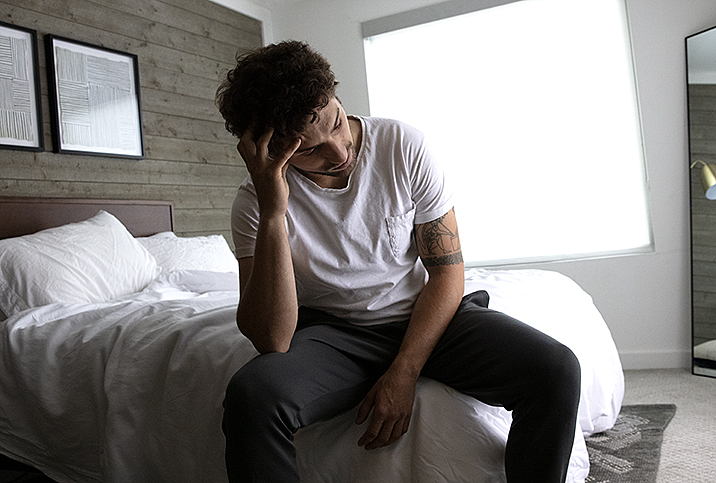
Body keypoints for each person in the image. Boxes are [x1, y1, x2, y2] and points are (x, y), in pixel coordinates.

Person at [216, 40, 581, 483]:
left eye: (334, 122)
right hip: (336, 336)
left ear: (334, 94)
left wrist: (404, 372)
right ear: (271, 150)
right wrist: (275, 211)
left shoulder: (402, 145)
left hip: (425, 319)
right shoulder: (255, 203)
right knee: (252, 395)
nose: (337, 151)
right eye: (309, 151)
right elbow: (272, 338)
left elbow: (447, 272)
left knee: (556, 369)